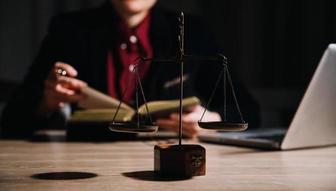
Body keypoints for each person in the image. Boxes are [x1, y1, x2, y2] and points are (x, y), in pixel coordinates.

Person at [1, 0, 260, 138]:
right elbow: (11, 121)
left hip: (166, 158)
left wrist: (209, 119)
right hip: (87, 160)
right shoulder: (71, 30)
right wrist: (47, 101)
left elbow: (249, 111)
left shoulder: (192, 31)